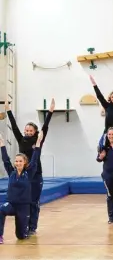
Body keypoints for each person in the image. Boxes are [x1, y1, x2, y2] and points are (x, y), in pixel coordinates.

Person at [5, 99, 54, 236]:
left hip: (35, 174)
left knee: (34, 202)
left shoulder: (38, 139)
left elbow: (45, 127)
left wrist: (50, 111)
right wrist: (8, 110)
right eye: (26, 130)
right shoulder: (21, 139)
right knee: (24, 203)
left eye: (30, 130)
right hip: (22, 175)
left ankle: (33, 226)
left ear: (35, 132)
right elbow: (14, 127)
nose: (27, 132)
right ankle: (24, 226)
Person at [0, 131, 43, 244]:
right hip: (11, 205)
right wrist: (2, 144)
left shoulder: (29, 173)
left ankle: (24, 230)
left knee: (21, 236)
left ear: (24, 163)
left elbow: (35, 157)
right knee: (0, 210)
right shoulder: (12, 172)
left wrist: (38, 142)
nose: (18, 163)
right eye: (16, 161)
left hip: (23, 207)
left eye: (20, 161)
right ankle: (0, 235)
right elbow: (5, 160)